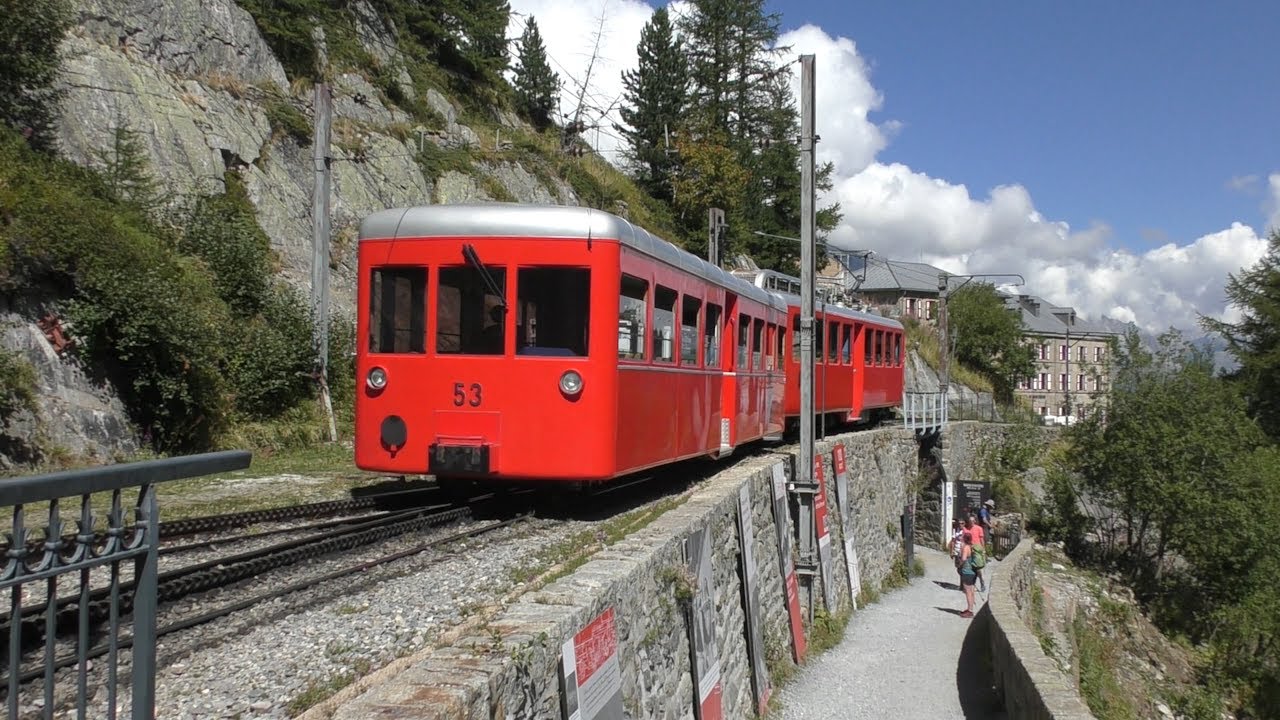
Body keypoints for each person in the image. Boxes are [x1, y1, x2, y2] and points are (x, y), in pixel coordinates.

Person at [958, 531, 977, 618]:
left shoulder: (966, 547)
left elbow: (964, 559)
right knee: (971, 591)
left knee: (968, 591)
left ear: (964, 538)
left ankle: (970, 611)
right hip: (972, 572)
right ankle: (970, 609)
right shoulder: (971, 546)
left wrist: (959, 565)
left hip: (967, 572)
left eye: (962, 536)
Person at [965, 516, 986, 592]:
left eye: (972, 521)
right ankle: (971, 585)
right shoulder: (967, 529)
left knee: (978, 569)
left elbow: (981, 539)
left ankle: (982, 582)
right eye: (970, 521)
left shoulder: (979, 528)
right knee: (970, 568)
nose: (971, 522)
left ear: (975, 521)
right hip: (969, 550)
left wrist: (983, 550)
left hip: (977, 550)